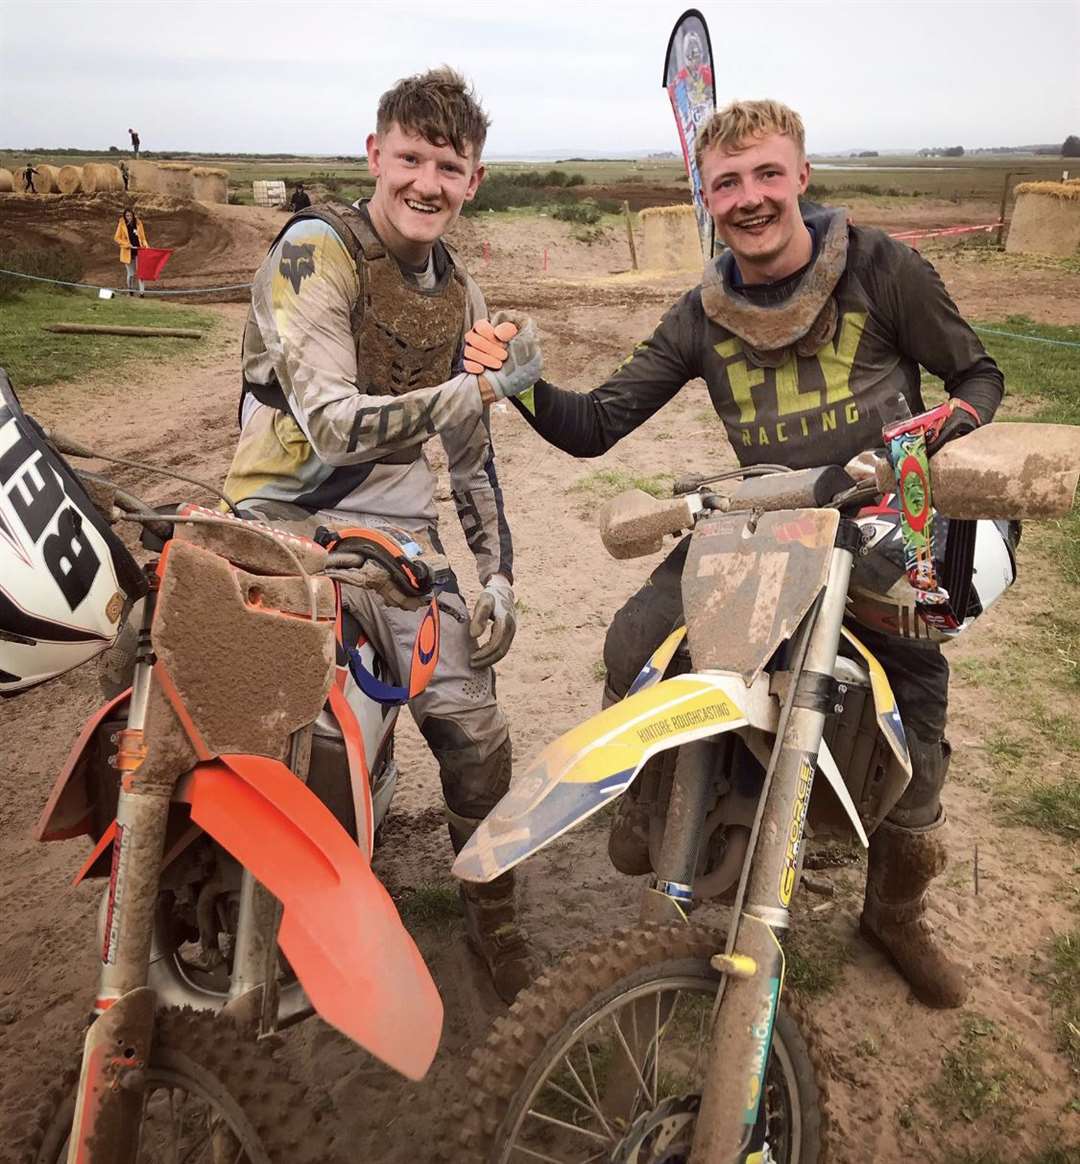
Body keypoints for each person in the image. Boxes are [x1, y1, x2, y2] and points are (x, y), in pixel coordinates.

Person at [466, 99, 1005, 1011]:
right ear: (705, 197)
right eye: (727, 182)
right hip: (764, 517)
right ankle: (652, 814)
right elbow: (598, 425)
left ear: (801, 175)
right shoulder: (701, 313)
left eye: (765, 174)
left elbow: (978, 376)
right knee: (634, 641)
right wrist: (521, 390)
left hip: (880, 521)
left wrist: (928, 440)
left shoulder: (884, 269)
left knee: (919, 710)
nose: (749, 198)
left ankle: (897, 908)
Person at [221, 67, 542, 1002]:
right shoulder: (311, 254)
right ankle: (276, 910)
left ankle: (494, 913)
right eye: (411, 157)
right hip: (284, 523)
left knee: (477, 731)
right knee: (296, 735)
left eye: (450, 165)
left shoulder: (464, 297)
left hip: (400, 540)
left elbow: (473, 459)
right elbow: (331, 425)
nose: (427, 182)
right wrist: (477, 386)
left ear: (472, 180)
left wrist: (498, 577)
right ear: (375, 155)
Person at [113, 207, 149, 295]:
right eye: (127, 215)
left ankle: (142, 293)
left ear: (133, 215)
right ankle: (130, 291)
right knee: (131, 274)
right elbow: (117, 238)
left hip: (139, 251)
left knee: (141, 273)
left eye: (130, 215)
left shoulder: (138, 223)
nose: (128, 217)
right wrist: (127, 245)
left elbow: (143, 238)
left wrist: (146, 246)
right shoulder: (122, 224)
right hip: (127, 252)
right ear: (124, 216)